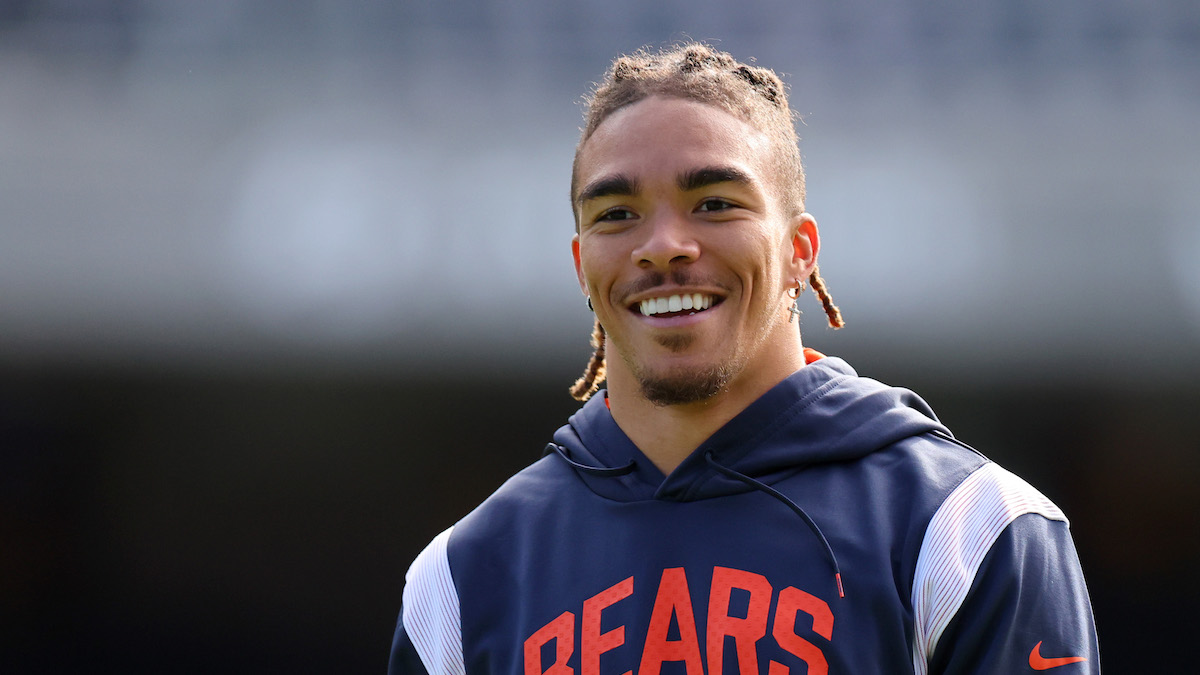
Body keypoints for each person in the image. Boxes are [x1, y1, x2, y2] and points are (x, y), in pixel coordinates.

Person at [389, 43, 1099, 674]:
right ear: (582, 266)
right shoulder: (459, 579)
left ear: (799, 250)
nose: (663, 246)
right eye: (616, 214)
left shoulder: (966, 528)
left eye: (715, 203)